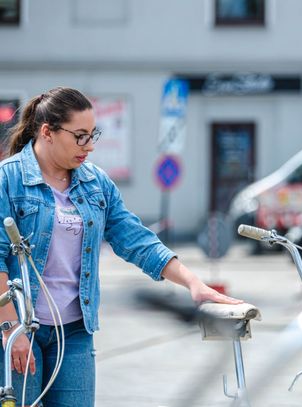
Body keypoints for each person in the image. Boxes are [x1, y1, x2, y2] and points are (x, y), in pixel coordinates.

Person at [0, 87, 242, 406]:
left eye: (93, 135)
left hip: (74, 331)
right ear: (47, 132)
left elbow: (136, 239)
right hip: (20, 327)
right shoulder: (8, 179)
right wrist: (10, 328)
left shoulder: (96, 183)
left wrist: (193, 283)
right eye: (80, 136)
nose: (90, 145)